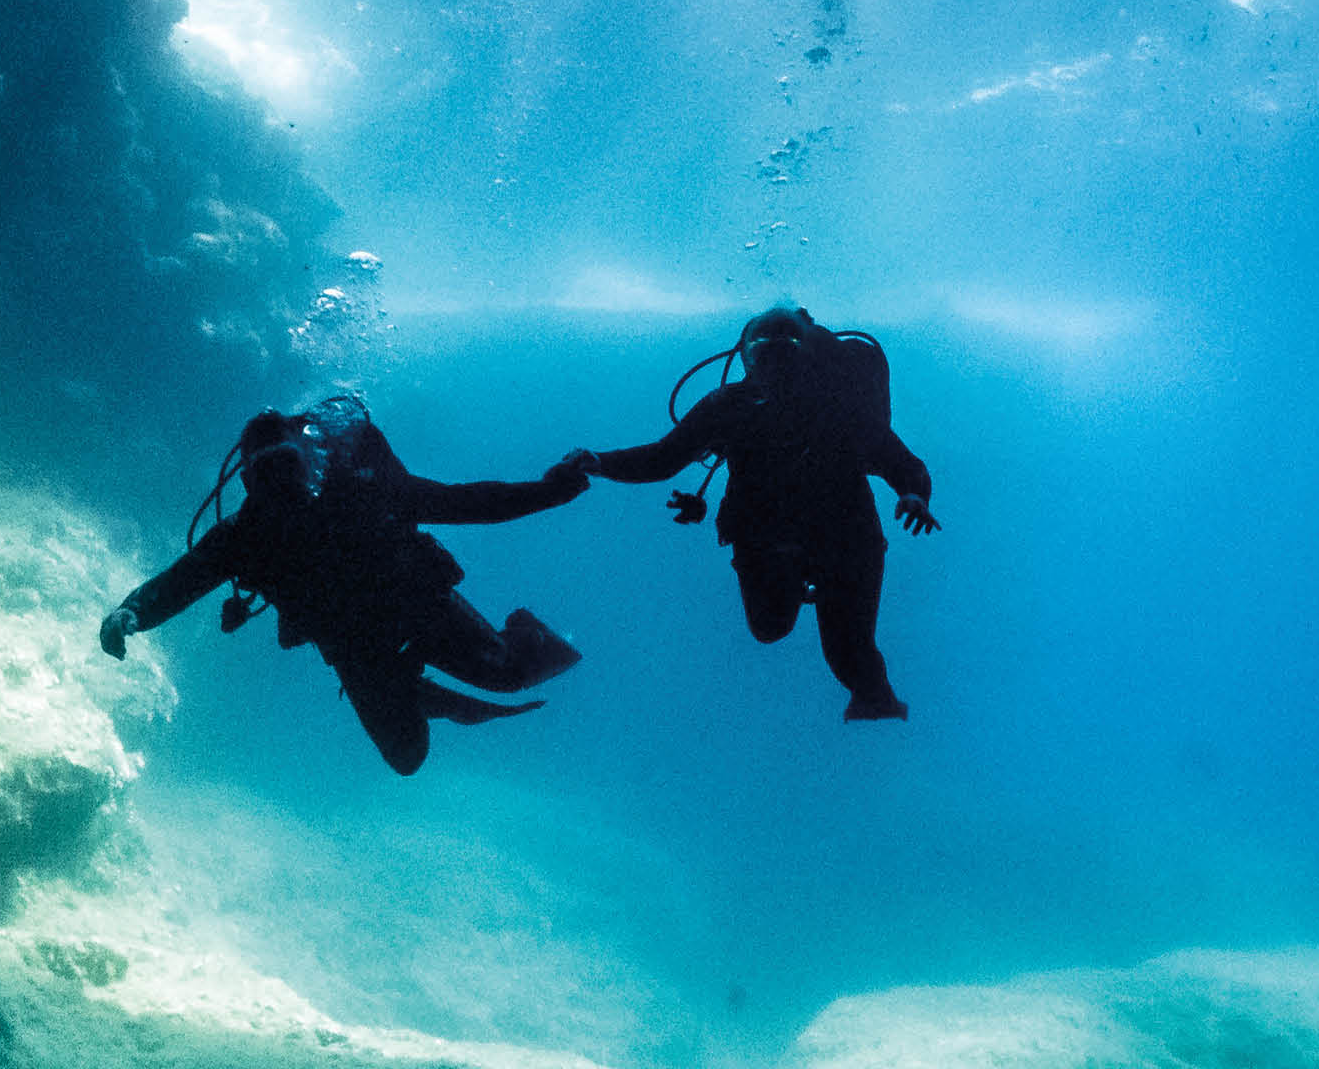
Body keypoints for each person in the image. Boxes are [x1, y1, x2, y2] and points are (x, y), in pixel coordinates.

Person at [100, 395, 588, 775]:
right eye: (264, 474)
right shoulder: (245, 536)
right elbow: (186, 578)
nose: (279, 484)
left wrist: (552, 490)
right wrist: (132, 612)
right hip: (358, 648)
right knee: (407, 759)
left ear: (309, 457)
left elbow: (470, 502)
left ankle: (523, 633)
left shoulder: (369, 491)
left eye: (286, 465)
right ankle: (416, 693)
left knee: (512, 673)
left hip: (419, 608)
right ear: (247, 479)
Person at [567, 306, 936, 722]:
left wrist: (914, 494)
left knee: (847, 655)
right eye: (766, 352)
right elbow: (662, 459)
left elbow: (905, 467)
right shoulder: (731, 406)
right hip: (799, 540)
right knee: (773, 631)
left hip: (840, 541)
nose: (777, 363)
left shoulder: (826, 407)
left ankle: (879, 704)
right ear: (747, 358)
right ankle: (815, 594)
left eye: (786, 351)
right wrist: (600, 462)